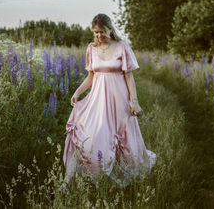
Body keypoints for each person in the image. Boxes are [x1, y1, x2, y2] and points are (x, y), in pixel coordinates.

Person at [61, 14, 156, 190]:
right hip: (97, 102)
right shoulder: (91, 49)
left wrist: (135, 102)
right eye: (96, 32)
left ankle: (119, 185)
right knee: (86, 136)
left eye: (102, 32)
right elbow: (91, 76)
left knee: (122, 141)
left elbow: (129, 76)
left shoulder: (122, 47)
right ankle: (68, 182)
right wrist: (77, 92)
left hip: (119, 102)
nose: (99, 36)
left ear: (110, 29)